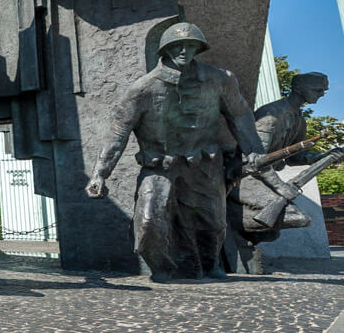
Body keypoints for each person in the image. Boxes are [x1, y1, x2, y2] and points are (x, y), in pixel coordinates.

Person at [85, 22, 270, 281]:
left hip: (204, 164)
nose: (184, 50)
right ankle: (163, 268)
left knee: (213, 223)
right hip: (160, 166)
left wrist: (254, 150)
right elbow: (118, 134)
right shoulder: (143, 88)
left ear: (199, 48)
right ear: (166, 50)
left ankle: (210, 265)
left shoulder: (220, 80)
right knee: (149, 220)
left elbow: (240, 116)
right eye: (177, 45)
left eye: (191, 45)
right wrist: (99, 174)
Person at [231, 72, 331, 240]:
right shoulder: (270, 115)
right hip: (245, 177)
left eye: (323, 90)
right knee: (297, 218)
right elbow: (255, 160)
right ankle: (228, 221)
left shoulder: (299, 120)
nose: (321, 94)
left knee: (273, 232)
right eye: (317, 90)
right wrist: (280, 187)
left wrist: (327, 157)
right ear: (299, 89)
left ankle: (244, 234)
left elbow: (295, 157)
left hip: (264, 177)